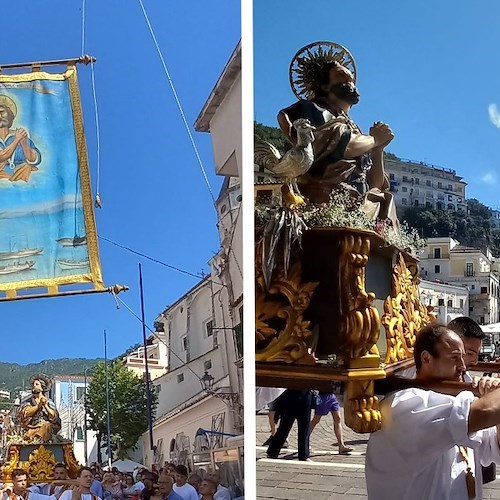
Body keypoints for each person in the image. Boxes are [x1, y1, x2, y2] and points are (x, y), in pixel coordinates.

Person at [366, 323, 500, 499]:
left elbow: (493, 445)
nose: (463, 366)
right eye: (454, 358)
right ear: (426, 358)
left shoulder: (455, 399)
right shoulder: (405, 404)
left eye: (463, 358)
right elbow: (483, 412)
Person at [278, 45, 398, 227]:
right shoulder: (312, 109)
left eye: (351, 78)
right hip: (327, 195)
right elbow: (340, 142)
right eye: (342, 76)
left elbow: (375, 182)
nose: (350, 81)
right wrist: (374, 140)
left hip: (357, 200)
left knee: (383, 197)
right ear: (325, 85)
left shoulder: (355, 130)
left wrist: (378, 149)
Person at [0, 95, 41, 183]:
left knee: (27, 168)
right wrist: (16, 140)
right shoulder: (17, 137)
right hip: (2, 177)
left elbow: (34, 160)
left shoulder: (19, 135)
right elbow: (1, 157)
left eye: (2, 112)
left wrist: (24, 144)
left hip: (21, 175)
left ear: (10, 115)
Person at [266, 389, 313, 461]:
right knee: (285, 426)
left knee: (301, 427)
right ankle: (273, 451)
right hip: (294, 396)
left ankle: (304, 455)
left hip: (301, 396)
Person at [18, 375, 61, 442]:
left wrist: (45, 405)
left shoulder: (49, 401)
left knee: (47, 425)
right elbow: (26, 413)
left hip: (46, 428)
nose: (34, 386)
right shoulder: (29, 401)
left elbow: (54, 417)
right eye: (33, 384)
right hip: (32, 427)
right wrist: (38, 405)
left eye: (37, 384)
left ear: (42, 388)